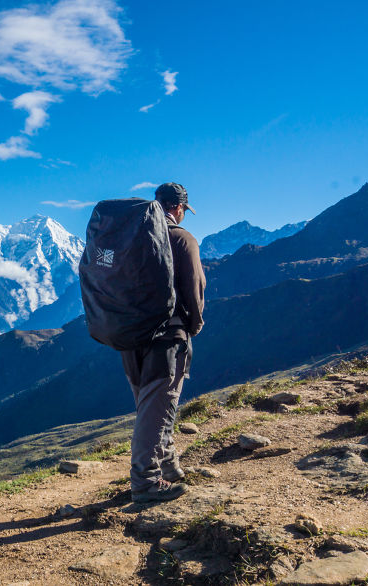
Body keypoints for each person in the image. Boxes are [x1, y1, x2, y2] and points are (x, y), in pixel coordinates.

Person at [122, 182, 206, 502]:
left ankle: (168, 466)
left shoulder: (132, 239)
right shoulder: (181, 238)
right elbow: (194, 289)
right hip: (166, 338)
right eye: (184, 209)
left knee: (152, 407)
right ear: (178, 208)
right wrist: (194, 325)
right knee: (158, 409)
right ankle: (145, 482)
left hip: (130, 338)